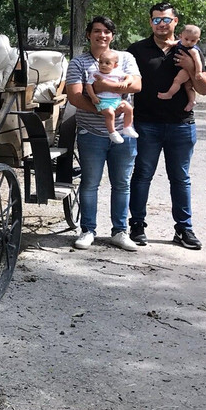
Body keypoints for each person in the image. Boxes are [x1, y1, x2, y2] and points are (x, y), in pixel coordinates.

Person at [128, 3, 206, 250]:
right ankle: (137, 225)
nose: (161, 24)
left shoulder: (191, 49)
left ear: (175, 21)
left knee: (180, 178)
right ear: (150, 23)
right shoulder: (137, 50)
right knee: (142, 175)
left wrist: (191, 68)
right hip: (146, 124)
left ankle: (184, 229)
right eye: (156, 20)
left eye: (165, 19)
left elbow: (204, 89)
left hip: (181, 124)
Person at [64, 16, 142, 251]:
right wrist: (102, 110)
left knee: (122, 184)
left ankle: (120, 231)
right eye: (97, 31)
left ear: (112, 36)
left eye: (107, 31)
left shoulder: (125, 58)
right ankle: (88, 230)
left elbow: (137, 85)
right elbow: (75, 96)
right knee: (90, 183)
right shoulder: (78, 63)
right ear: (89, 35)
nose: (102, 35)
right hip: (91, 132)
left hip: (123, 132)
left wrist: (107, 87)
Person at [86, 49, 140, 144]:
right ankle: (112, 132)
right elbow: (88, 85)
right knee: (110, 114)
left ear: (115, 65)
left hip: (117, 100)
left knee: (129, 108)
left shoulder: (117, 72)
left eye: (107, 63)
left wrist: (125, 82)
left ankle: (127, 127)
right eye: (101, 62)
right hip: (102, 100)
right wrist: (93, 97)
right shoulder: (96, 74)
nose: (103, 65)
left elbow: (130, 77)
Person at [157, 23, 202, 112]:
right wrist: (170, 43)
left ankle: (169, 94)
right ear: (181, 37)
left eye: (193, 40)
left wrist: (198, 72)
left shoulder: (193, 50)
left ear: (198, 40)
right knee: (188, 86)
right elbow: (175, 43)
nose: (189, 42)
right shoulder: (180, 43)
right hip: (181, 68)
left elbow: (198, 61)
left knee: (177, 81)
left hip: (185, 70)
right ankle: (192, 101)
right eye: (186, 39)